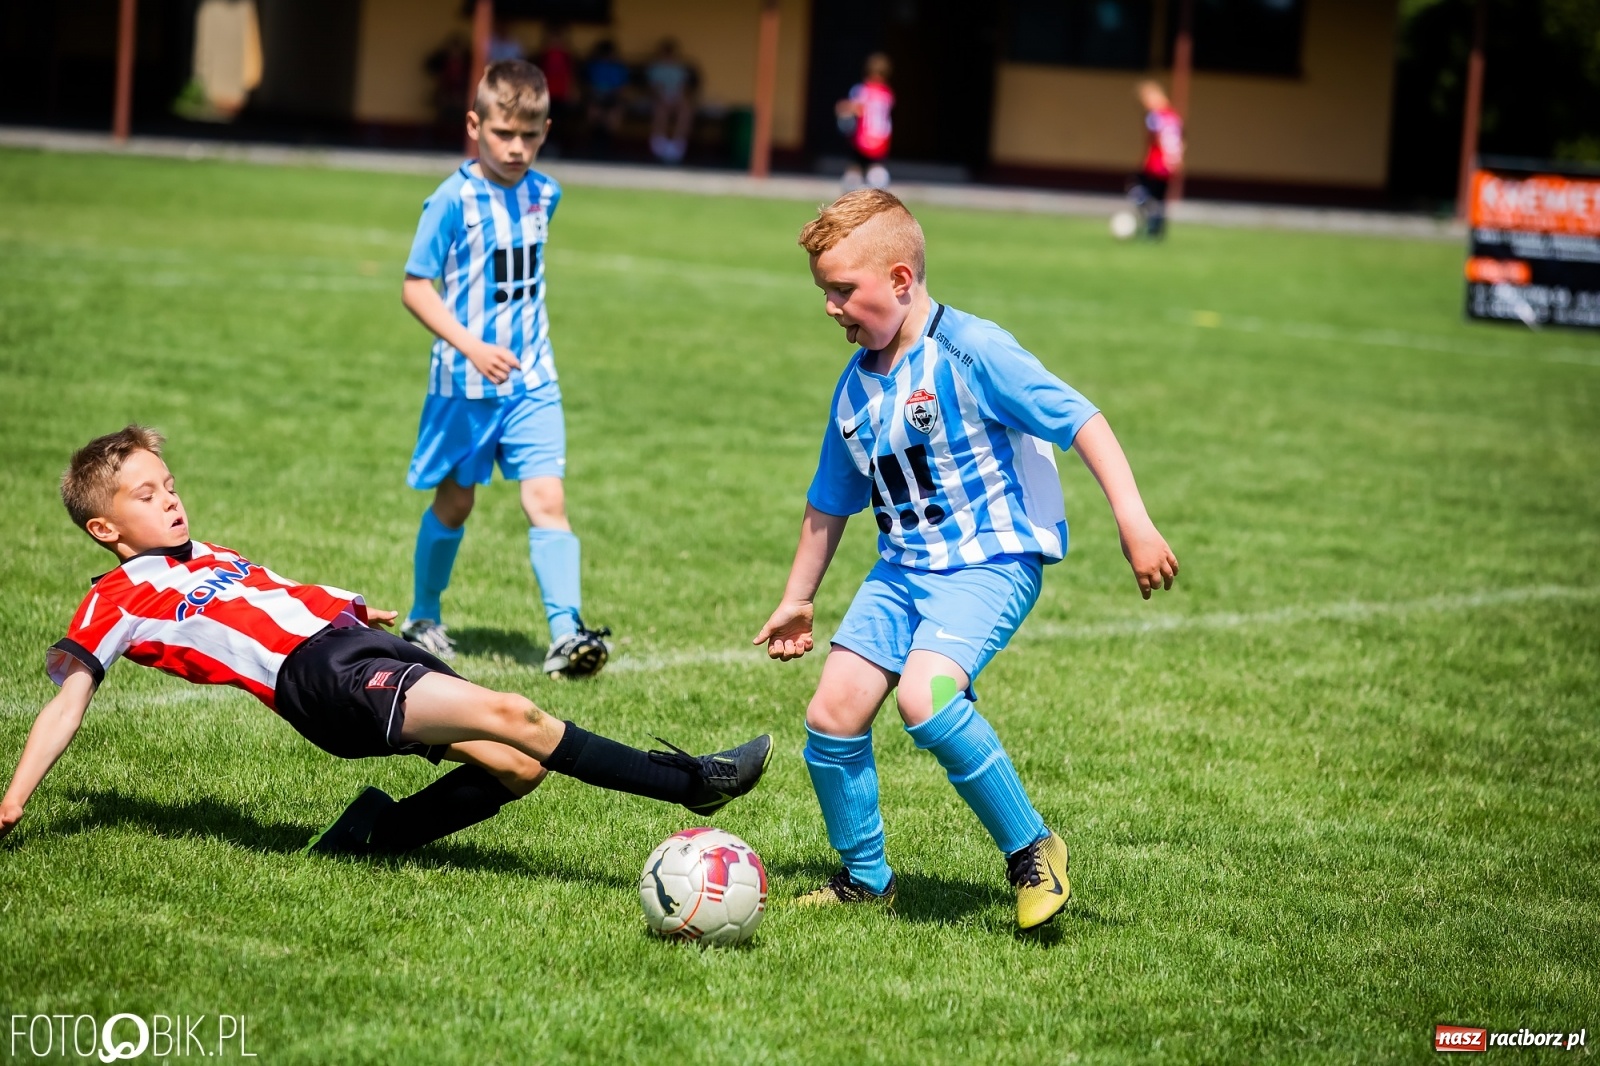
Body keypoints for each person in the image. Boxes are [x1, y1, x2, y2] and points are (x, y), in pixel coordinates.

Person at [0, 427, 771, 853]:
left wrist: (360, 615)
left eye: (169, 484)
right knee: (519, 715)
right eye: (146, 495)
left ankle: (376, 835)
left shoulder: (209, 555)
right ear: (104, 528)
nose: (170, 500)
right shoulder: (114, 598)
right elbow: (69, 700)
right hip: (322, 684)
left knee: (517, 767)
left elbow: (284, 599)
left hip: (356, 648)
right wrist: (12, 800)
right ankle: (692, 782)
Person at [753, 190, 1179, 929]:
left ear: (899, 278)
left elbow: (1082, 419)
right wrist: (799, 596)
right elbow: (829, 500)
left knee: (927, 699)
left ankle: (1033, 850)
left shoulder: (973, 350)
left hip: (990, 562)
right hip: (902, 571)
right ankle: (866, 878)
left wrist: (1133, 520)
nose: (831, 308)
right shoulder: (855, 389)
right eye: (824, 292)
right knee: (831, 714)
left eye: (843, 290)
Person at [400, 59, 611, 679]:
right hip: (464, 384)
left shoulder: (547, 193)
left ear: (547, 128)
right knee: (456, 503)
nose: (517, 148)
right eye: (503, 134)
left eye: (531, 134)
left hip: (533, 381)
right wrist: (470, 345)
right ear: (475, 125)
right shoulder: (450, 200)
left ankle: (568, 634)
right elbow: (416, 287)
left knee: (547, 499)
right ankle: (422, 616)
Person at [1132, 80, 1184, 239]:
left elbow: (1158, 138)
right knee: (1159, 199)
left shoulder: (1155, 117)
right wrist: (1176, 159)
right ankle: (1156, 233)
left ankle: (1151, 227)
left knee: (1138, 192)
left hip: (1156, 164)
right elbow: (1180, 141)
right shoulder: (1174, 116)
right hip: (1170, 165)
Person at [836, 53, 894, 190]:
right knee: (877, 170)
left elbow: (856, 108)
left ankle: (851, 197)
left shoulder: (862, 90)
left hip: (863, 139)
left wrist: (842, 107)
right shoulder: (888, 93)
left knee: (854, 169)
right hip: (881, 140)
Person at [645, 38, 695, 165]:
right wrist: (662, 97)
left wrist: (679, 98)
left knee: (686, 110)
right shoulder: (655, 68)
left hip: (677, 98)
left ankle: (677, 145)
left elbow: (684, 88)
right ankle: (659, 145)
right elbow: (653, 88)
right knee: (661, 109)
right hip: (660, 98)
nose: (667, 56)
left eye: (670, 53)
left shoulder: (680, 68)